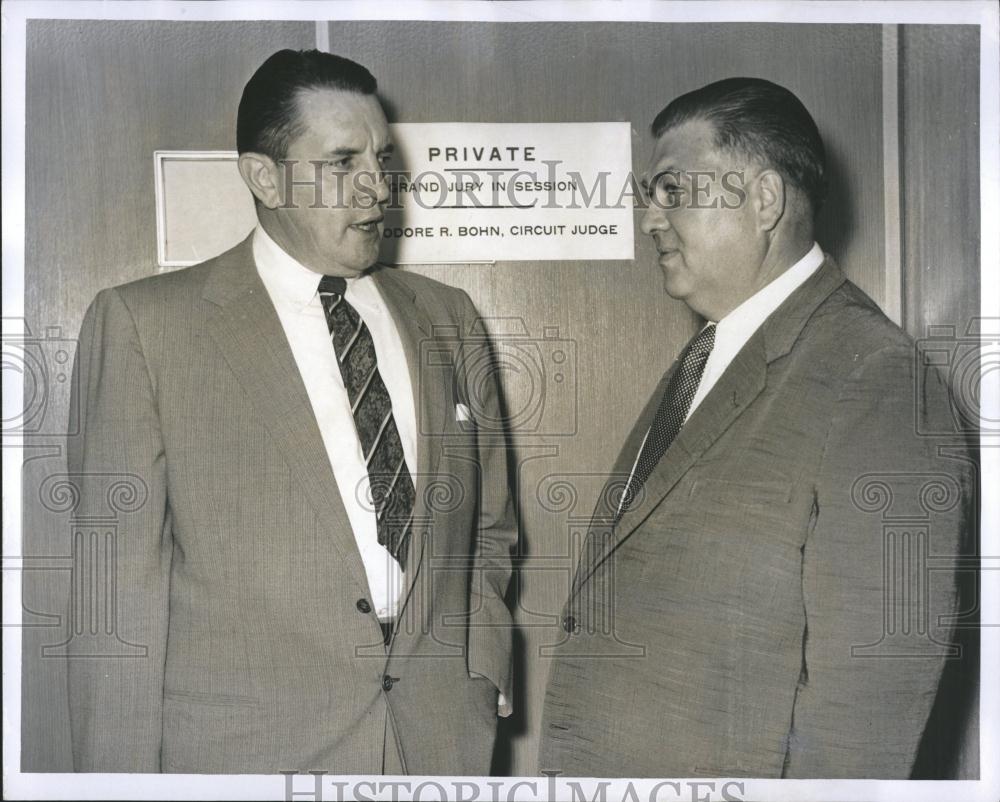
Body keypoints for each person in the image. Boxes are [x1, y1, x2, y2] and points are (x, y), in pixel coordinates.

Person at [66, 49, 515, 775]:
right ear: (264, 177)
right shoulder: (149, 329)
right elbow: (115, 599)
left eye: (381, 157)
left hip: (439, 743)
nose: (377, 186)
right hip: (245, 753)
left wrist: (482, 664)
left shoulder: (448, 318)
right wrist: (114, 783)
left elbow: (491, 528)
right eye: (342, 162)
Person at [538, 77, 972, 778]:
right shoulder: (710, 355)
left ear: (764, 199)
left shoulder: (879, 381)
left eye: (674, 190)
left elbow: (869, 709)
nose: (650, 218)